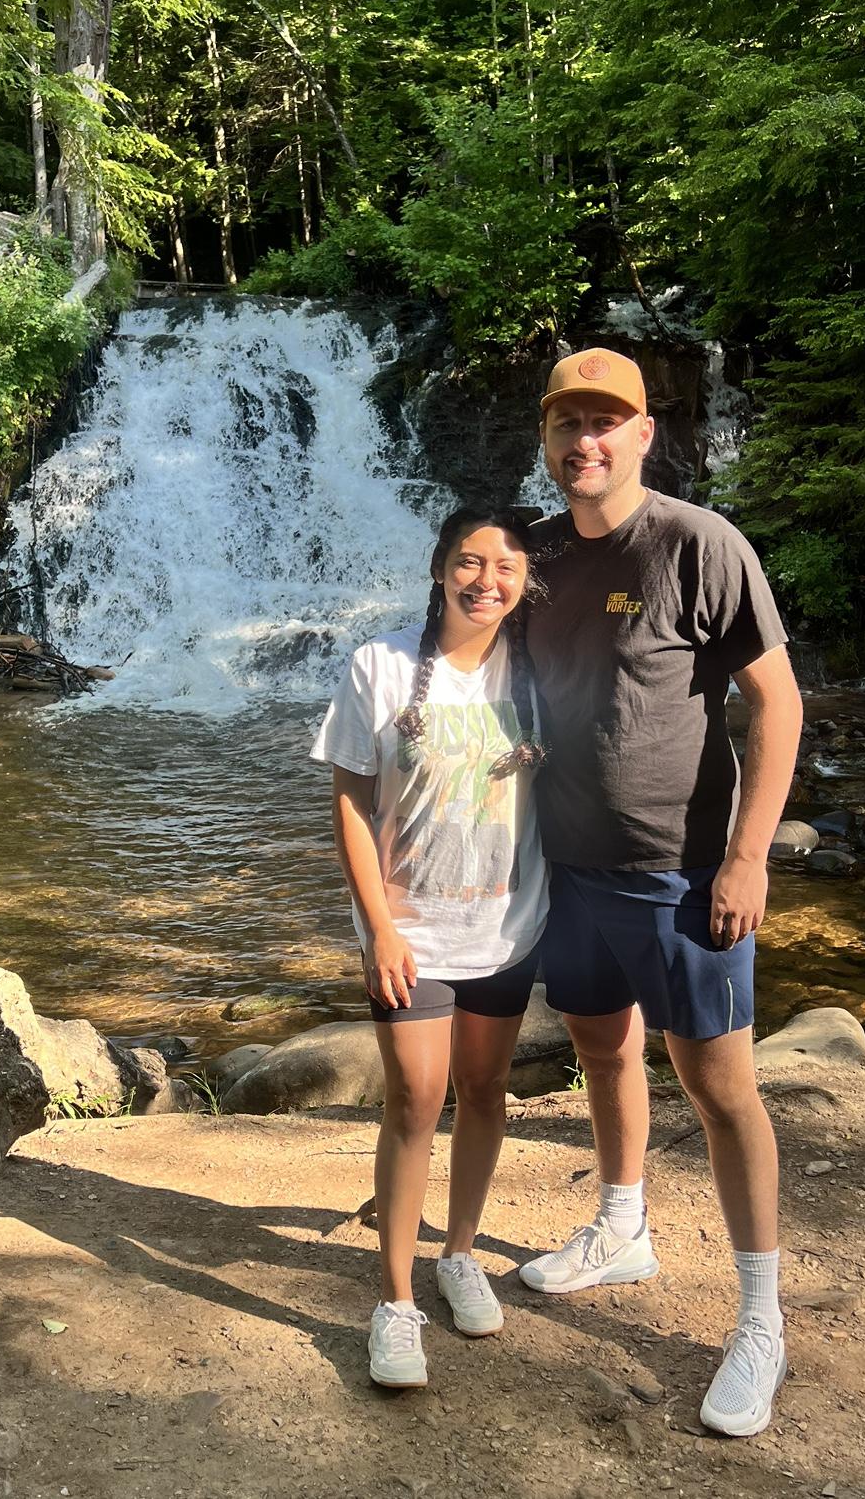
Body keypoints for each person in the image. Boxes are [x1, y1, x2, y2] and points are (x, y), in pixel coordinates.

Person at [519, 348, 803, 1438]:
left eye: (606, 422)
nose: (584, 440)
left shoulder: (699, 543)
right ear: (547, 439)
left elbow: (777, 703)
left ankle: (760, 1320)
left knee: (721, 1088)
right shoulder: (534, 555)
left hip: (679, 870)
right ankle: (622, 1225)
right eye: (567, 423)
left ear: (644, 434)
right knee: (600, 1047)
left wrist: (748, 856)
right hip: (565, 866)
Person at [310, 504, 548, 1389]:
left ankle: (459, 1254)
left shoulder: (541, 671)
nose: (487, 581)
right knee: (415, 1099)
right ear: (441, 568)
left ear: (527, 582)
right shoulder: (378, 666)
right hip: (410, 935)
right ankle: (396, 1301)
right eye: (470, 562)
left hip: (509, 927)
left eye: (507, 567)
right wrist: (378, 926)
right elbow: (349, 801)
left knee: (485, 1091)